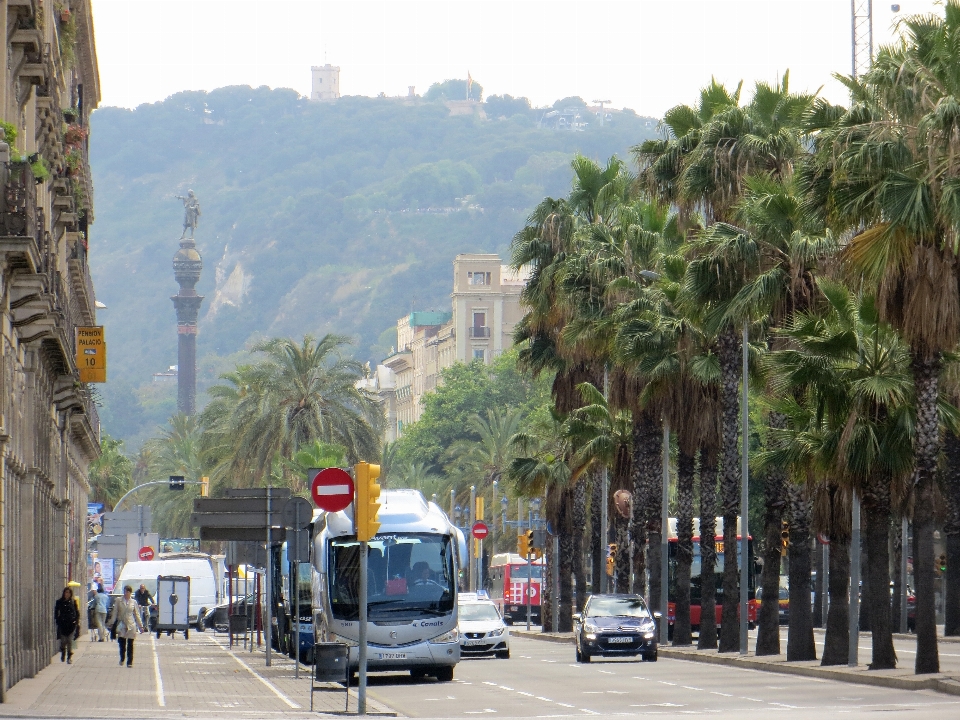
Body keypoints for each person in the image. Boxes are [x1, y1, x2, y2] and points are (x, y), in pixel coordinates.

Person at [106, 585, 144, 667]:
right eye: (125, 591)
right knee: (122, 643)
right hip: (121, 624)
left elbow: (137, 614)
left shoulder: (133, 602)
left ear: (130, 593)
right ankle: (122, 658)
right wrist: (112, 623)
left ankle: (130, 661)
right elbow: (115, 612)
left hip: (131, 624)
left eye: (127, 592)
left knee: (130, 643)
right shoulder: (118, 600)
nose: (126, 593)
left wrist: (140, 626)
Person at [54, 587, 79, 664]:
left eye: (68, 593)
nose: (67, 594)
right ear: (63, 593)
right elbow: (56, 612)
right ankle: (63, 651)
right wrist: (58, 620)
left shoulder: (73, 602)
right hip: (62, 624)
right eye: (66, 592)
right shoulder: (59, 602)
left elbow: (77, 612)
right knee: (63, 641)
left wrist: (76, 621)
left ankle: (69, 657)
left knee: (69, 641)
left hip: (71, 624)